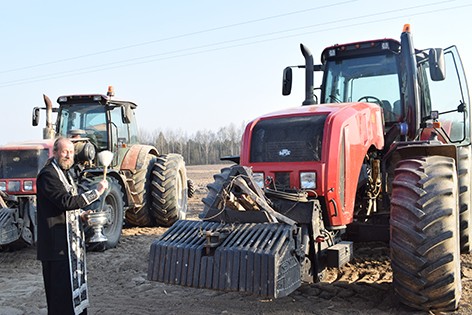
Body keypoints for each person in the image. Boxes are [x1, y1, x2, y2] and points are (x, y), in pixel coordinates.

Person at [36, 137, 109, 315]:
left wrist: (82, 215)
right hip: (56, 249)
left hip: (69, 248)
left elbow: (67, 207)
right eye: (64, 151)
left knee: (73, 296)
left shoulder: (65, 173)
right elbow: (66, 202)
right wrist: (97, 192)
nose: (69, 156)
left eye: (71, 152)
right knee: (60, 300)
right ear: (55, 152)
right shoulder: (48, 175)